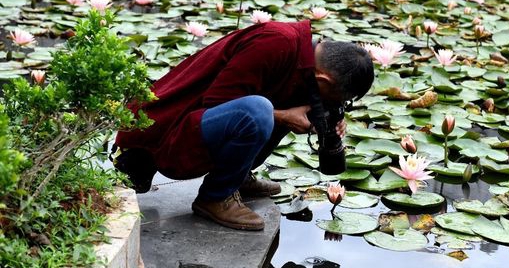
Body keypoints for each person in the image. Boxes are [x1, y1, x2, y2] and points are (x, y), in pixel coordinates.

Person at [113, 20, 374, 230]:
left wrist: (332, 119)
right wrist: (283, 116)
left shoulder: (307, 63)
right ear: (324, 80)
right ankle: (215, 197)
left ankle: (238, 177)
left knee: (282, 106)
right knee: (260, 110)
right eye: (335, 97)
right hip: (160, 134)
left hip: (196, 125)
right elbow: (218, 102)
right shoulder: (277, 42)